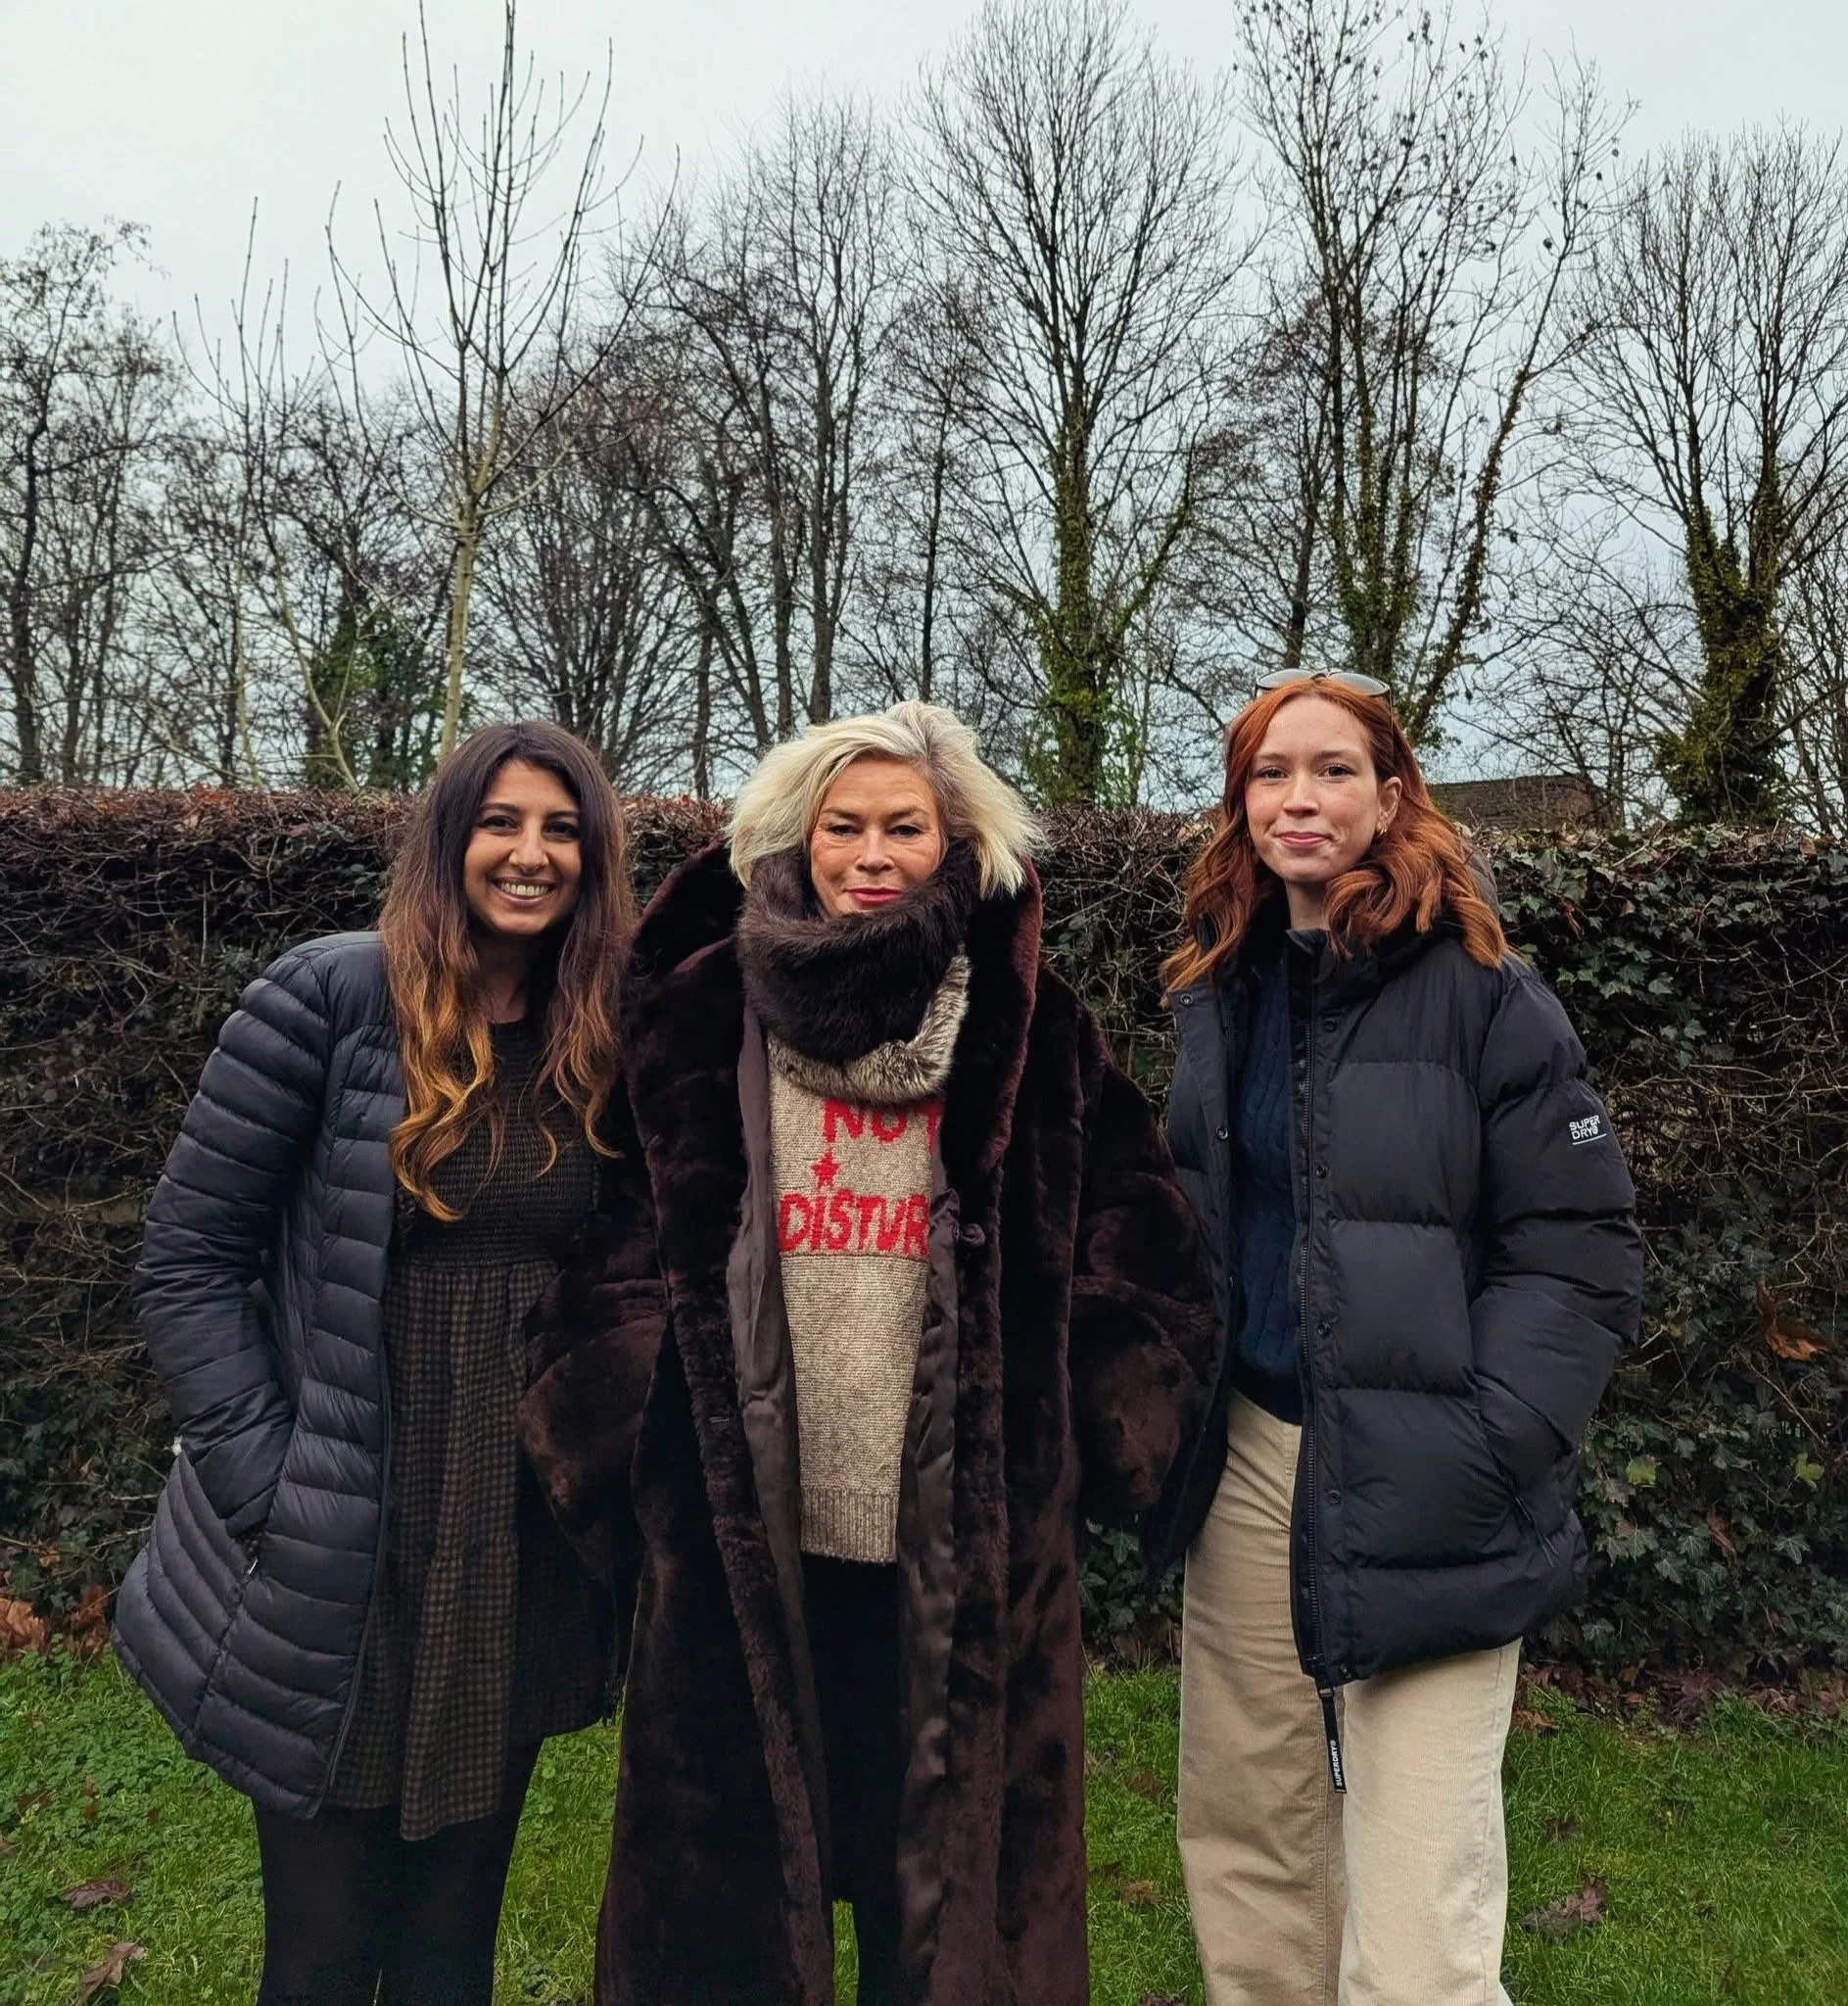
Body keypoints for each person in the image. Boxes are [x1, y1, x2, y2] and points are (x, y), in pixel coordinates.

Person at [518, 699, 1216, 2006]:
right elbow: (611, 1246)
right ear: (799, 834)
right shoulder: (699, 1013)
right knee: (727, 1917)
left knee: (953, 1926)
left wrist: (1096, 1425)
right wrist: (628, 1438)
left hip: (963, 1563)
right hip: (743, 1550)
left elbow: (1139, 1231)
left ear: (959, 844)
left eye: (907, 827)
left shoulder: (1032, 1025)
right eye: (845, 826)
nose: (872, 854)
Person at [114, 721, 635, 2006]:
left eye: (560, 828)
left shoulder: (603, 1034)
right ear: (449, 838)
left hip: (511, 1548)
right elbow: (188, 1262)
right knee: (326, 1954)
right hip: (345, 1541)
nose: (529, 853)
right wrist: (265, 1482)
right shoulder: (332, 997)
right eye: (500, 822)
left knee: (454, 1952)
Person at [1144, 670, 1643, 2006]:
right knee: (1253, 1856)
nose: (1298, 798)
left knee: (1420, 1921)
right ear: (1241, 804)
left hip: (1437, 1480)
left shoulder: (1486, 996)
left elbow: (1582, 1248)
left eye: (1332, 770)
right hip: (1250, 1464)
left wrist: (1489, 1438)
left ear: (1391, 796)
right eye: (1269, 773)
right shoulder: (1220, 993)